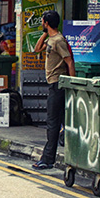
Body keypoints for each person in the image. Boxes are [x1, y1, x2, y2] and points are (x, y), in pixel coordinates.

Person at [32, 10, 74, 170]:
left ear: (46, 23)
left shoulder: (58, 41)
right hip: (53, 85)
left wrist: (71, 83)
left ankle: (48, 159)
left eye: (43, 21)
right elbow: (37, 49)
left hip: (59, 85)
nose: (42, 23)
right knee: (56, 122)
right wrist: (45, 33)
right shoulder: (51, 39)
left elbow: (69, 62)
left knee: (52, 123)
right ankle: (49, 158)